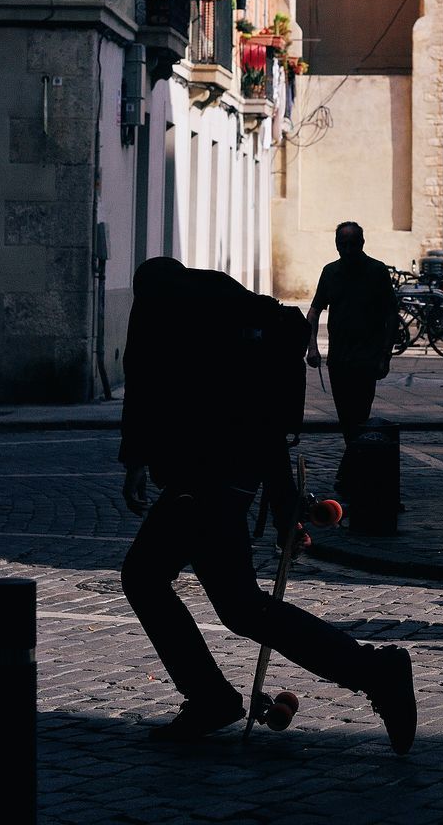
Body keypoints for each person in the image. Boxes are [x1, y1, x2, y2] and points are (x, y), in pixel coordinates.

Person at [118, 256, 416, 751]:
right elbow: (265, 429)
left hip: (200, 484)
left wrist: (135, 460)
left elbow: (143, 387)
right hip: (229, 481)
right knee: (241, 607)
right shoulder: (234, 321)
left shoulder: (166, 310)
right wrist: (281, 509)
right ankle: (370, 671)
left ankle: (217, 696)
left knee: (146, 577)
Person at [306, 222, 398, 497]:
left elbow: (391, 315)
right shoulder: (330, 272)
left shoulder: (377, 271)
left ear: (362, 243)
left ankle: (348, 474)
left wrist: (385, 354)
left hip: (366, 357)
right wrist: (312, 347)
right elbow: (314, 311)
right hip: (339, 358)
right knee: (347, 418)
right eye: (342, 244)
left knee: (360, 414)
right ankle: (354, 470)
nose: (347, 250)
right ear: (336, 244)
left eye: (352, 244)